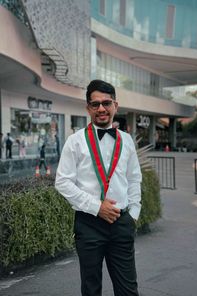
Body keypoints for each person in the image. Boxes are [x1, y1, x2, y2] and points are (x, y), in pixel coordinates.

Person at [55, 79, 142, 296]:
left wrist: (133, 214)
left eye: (106, 102)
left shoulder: (127, 140)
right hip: (89, 224)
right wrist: (96, 207)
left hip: (122, 222)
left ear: (115, 106)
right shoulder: (75, 141)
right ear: (88, 108)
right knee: (91, 289)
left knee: (128, 290)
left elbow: (134, 178)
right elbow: (62, 182)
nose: (101, 108)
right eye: (95, 104)